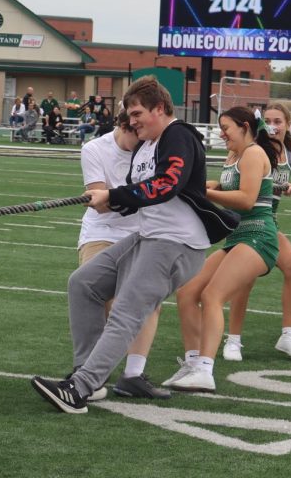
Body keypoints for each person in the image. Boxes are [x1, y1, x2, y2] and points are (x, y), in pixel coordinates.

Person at [31, 76, 214, 414]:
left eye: (137, 113)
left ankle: (78, 391)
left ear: (159, 109)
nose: (132, 122)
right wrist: (110, 201)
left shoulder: (179, 135)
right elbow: (139, 197)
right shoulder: (146, 144)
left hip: (176, 243)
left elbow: (167, 184)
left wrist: (113, 196)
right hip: (148, 236)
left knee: (126, 312)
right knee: (83, 284)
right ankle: (89, 378)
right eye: (130, 115)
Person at [166, 107, 281, 392]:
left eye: (226, 127)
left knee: (212, 295)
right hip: (238, 238)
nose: (222, 133)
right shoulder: (235, 156)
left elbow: (245, 199)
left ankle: (205, 370)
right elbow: (226, 185)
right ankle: (193, 364)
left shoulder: (253, 153)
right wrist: (203, 184)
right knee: (187, 292)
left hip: (258, 235)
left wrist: (201, 193)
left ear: (244, 127)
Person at [75, 111, 168, 399]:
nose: (140, 141)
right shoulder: (94, 149)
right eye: (135, 135)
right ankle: (86, 371)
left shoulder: (153, 146)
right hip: (101, 232)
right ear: (123, 126)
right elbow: (100, 203)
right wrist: (137, 195)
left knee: (149, 298)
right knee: (97, 292)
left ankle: (133, 375)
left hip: (140, 231)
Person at [223, 103, 291, 362]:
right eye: (269, 120)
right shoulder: (256, 150)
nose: (273, 125)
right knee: (245, 279)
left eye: (279, 121)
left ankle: (287, 335)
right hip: (249, 222)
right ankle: (233, 340)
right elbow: (244, 184)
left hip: (269, 222)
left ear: (288, 125)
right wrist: (277, 184)